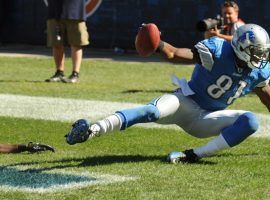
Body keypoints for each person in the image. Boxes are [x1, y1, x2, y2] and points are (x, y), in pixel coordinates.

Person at [65, 24, 270, 164]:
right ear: (241, 47)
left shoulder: (259, 71)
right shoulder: (218, 51)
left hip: (207, 119)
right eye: (256, 51)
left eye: (262, 52)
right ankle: (92, 130)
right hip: (185, 102)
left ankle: (192, 156)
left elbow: (267, 97)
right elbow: (175, 54)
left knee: (250, 121)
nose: (261, 57)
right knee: (150, 112)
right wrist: (159, 44)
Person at [45, 0, 89, 83]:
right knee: (56, 44)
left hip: (75, 11)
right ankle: (59, 73)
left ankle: (75, 74)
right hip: (55, 11)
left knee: (76, 43)